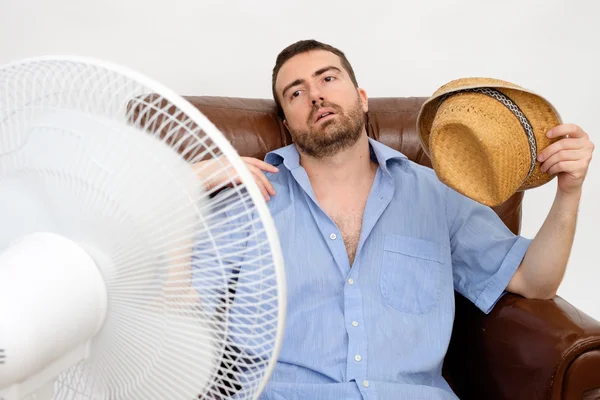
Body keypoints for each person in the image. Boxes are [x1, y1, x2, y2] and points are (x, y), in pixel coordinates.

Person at [195, 40, 595, 399]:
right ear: (286, 122)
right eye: (295, 92)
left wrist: (569, 191)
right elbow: (177, 306)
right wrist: (184, 189)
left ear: (362, 98)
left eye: (328, 78)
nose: (316, 96)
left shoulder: (436, 193)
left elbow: (534, 281)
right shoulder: (252, 196)